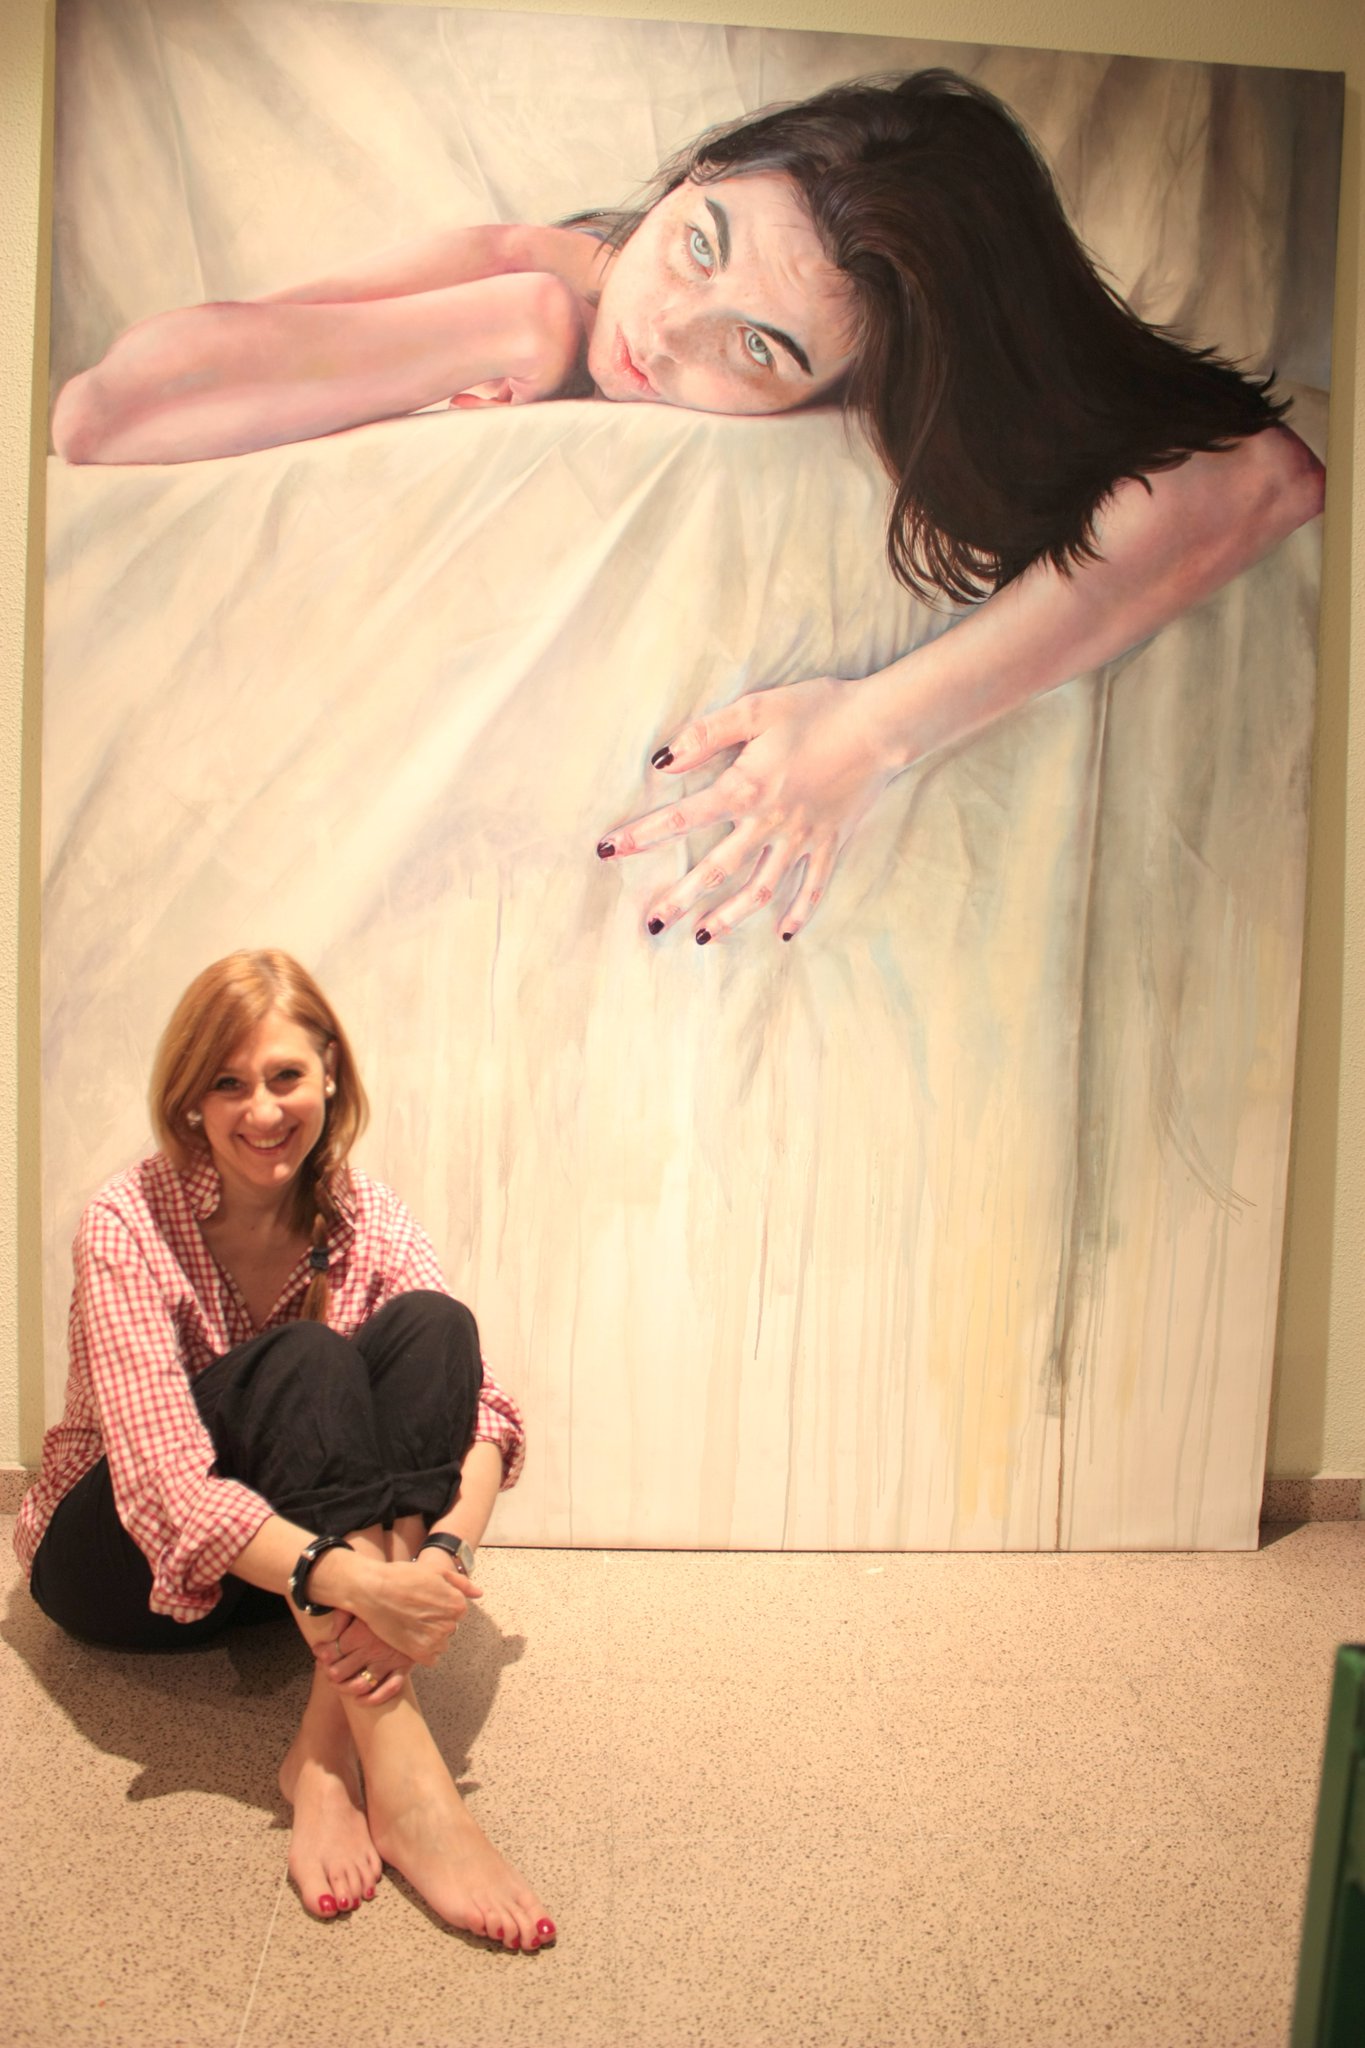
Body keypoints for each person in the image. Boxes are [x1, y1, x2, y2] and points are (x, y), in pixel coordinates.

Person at [50, 71, 1326, 943]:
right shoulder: (539, 276)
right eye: (697, 244)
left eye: (757, 349)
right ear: (697, 174)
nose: (663, 335)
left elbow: (1268, 475)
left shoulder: (913, 394)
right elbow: (102, 416)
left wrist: (871, 730)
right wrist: (502, 319)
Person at [14, 949, 555, 1952]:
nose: (262, 1110)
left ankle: (321, 1751)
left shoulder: (364, 1214)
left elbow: (481, 1411)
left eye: (285, 1075)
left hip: (281, 1581)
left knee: (437, 1326)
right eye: (228, 1082)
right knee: (304, 1357)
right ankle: (406, 1778)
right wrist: (363, 1580)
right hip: (117, 1567)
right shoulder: (127, 1220)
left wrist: (437, 1562)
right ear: (189, 1099)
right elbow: (165, 1488)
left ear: (329, 1076)